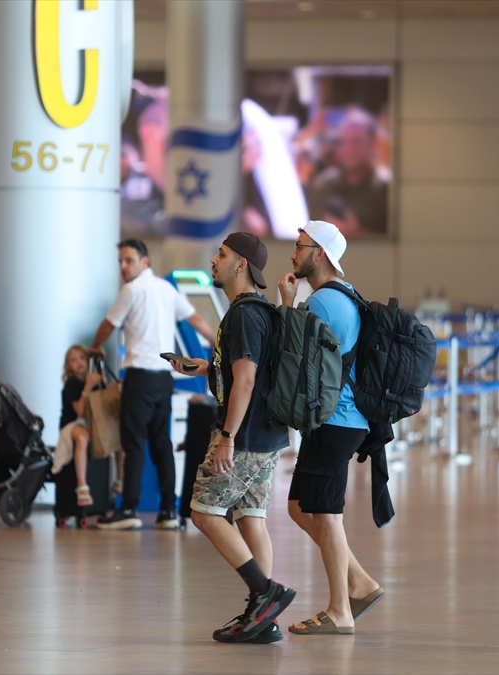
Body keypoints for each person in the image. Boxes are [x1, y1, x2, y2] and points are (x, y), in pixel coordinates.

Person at [170, 232, 295, 643]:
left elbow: (246, 381)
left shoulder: (243, 315)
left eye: (221, 254)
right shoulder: (261, 312)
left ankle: (265, 593)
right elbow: (242, 375)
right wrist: (207, 368)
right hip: (268, 434)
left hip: (243, 435)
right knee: (250, 517)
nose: (214, 259)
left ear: (240, 265)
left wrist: (227, 437)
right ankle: (263, 620)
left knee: (204, 512)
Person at [277, 220, 384, 635]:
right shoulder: (344, 294)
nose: (293, 253)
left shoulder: (322, 302)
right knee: (299, 507)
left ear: (319, 253)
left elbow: (290, 357)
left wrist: (287, 304)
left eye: (300, 246)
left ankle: (341, 610)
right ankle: (359, 582)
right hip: (341, 420)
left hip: (335, 420)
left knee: (326, 514)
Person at [90, 239, 215, 530]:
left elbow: (109, 325)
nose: (123, 267)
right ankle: (168, 511)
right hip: (163, 379)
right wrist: (217, 341)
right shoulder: (166, 289)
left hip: (139, 377)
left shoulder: (131, 290)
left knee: (133, 443)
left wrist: (95, 346)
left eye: (129, 260)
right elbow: (195, 317)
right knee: (162, 444)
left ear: (144, 262)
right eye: (121, 261)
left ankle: (128, 509)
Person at [305, 108, 389, 236]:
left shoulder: (386, 189)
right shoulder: (323, 185)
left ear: (373, 142)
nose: (348, 149)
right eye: (343, 142)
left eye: (356, 142)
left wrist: (357, 234)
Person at [55, 345, 105, 506]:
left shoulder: (92, 380)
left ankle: (120, 480)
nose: (79, 362)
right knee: (82, 438)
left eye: (82, 358)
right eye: (73, 360)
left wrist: (101, 379)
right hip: (71, 424)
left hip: (88, 424)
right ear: (68, 366)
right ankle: (82, 485)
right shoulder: (72, 383)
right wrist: (87, 387)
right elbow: (78, 411)